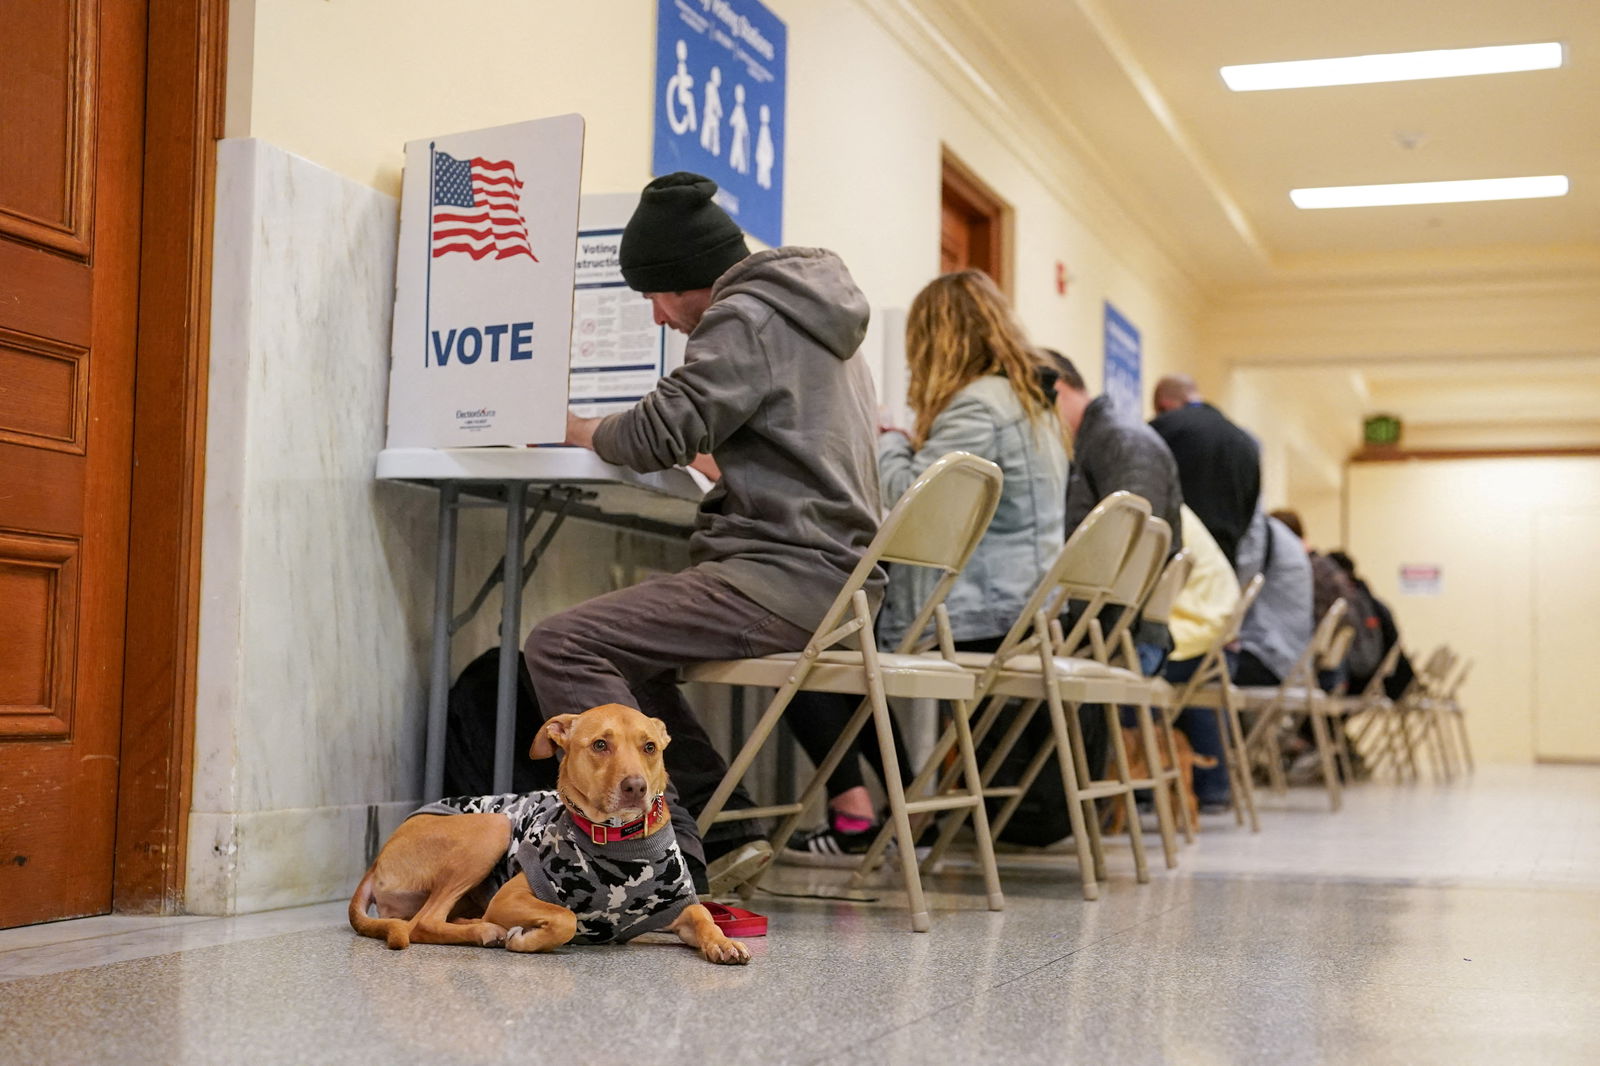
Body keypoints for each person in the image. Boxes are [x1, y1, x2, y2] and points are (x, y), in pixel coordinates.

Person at [532, 171, 884, 896]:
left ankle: (659, 856)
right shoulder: (815, 316)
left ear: (688, 279)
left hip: (787, 572)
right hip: (837, 576)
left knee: (564, 641)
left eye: (656, 296)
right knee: (634, 660)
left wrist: (572, 427)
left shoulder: (744, 315)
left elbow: (663, 428)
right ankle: (722, 832)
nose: (659, 318)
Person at [780, 269, 1069, 864]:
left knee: (806, 644)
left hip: (977, 615)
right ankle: (898, 807)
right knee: (841, 644)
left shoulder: (975, 405)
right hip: (1025, 612)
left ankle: (861, 813)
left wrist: (887, 436)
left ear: (936, 340)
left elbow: (912, 503)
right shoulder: (1033, 406)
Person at [1043, 349, 1183, 674]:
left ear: (1056, 388)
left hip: (1122, 638)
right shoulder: (1108, 438)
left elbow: (1133, 549)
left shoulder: (1120, 440)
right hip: (1121, 632)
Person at [1163, 507, 1241, 810]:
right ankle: (1212, 789)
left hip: (1197, 636)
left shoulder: (1157, 512)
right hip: (1220, 637)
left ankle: (1136, 788)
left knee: (1126, 668)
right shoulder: (1183, 515)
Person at [1149, 374, 1261, 566]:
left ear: (1164, 405)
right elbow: (1250, 507)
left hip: (1176, 559)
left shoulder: (1165, 428)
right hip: (1225, 562)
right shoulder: (1245, 442)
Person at [1232, 508, 1314, 687]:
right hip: (1295, 664)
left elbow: (1232, 591)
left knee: (1188, 662)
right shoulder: (1292, 545)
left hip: (1270, 659)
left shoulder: (1263, 534)